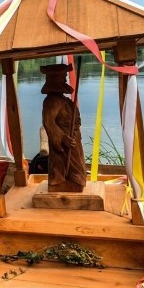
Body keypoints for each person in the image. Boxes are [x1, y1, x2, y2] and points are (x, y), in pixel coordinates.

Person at [40, 63, 86, 192]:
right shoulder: (51, 101)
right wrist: (62, 138)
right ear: (55, 79)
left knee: (78, 164)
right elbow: (49, 123)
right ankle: (60, 182)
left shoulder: (63, 100)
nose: (65, 79)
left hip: (73, 136)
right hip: (64, 140)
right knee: (66, 163)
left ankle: (73, 182)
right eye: (63, 76)